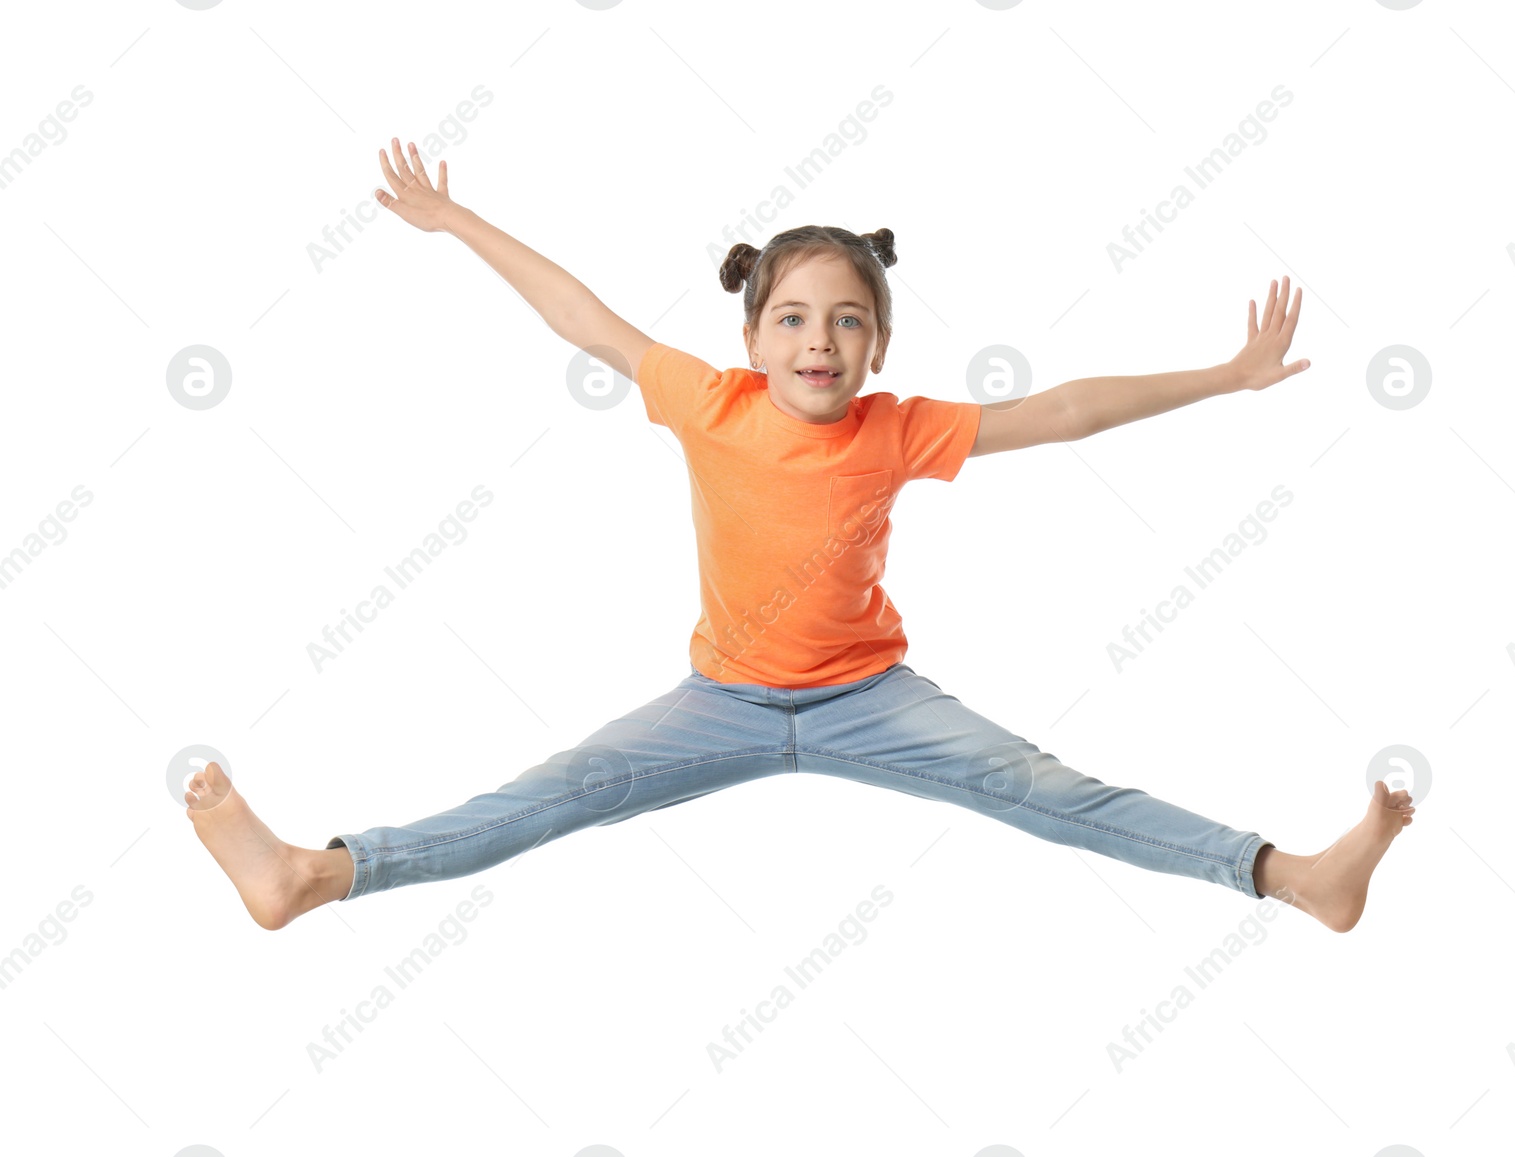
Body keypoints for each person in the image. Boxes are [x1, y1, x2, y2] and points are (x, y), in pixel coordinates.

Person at [186, 137, 1415, 934]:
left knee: (1051, 791)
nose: (816, 341)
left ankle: (1289, 874)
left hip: (871, 697)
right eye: (790, 318)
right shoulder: (705, 400)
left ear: (876, 347)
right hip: (718, 698)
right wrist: (459, 222)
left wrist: (1219, 374)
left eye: (843, 322)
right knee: (546, 796)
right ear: (752, 337)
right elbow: (583, 314)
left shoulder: (896, 427)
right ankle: (313, 873)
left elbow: (1063, 410)